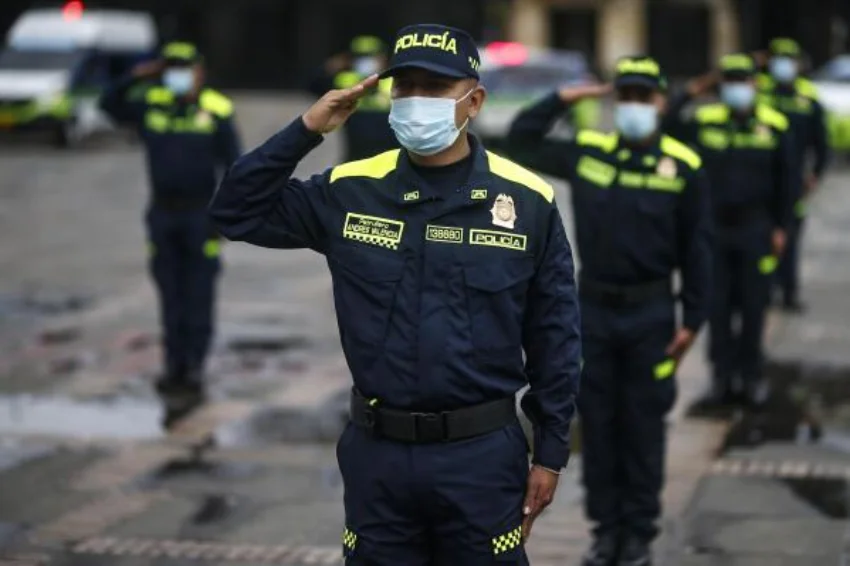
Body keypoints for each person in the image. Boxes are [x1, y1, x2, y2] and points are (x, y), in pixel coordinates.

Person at [210, 23, 581, 566]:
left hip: (480, 457)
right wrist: (307, 128)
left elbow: (556, 337)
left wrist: (549, 454)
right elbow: (234, 211)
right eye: (404, 87)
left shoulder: (526, 201)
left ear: (473, 101)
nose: (416, 101)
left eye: (434, 88)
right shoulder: (350, 190)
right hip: (378, 457)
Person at [505, 55, 712, 566]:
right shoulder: (590, 151)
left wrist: (693, 321)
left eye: (645, 97)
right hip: (592, 313)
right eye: (627, 96)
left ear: (661, 102)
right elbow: (520, 140)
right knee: (596, 425)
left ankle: (637, 534)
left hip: (652, 315)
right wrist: (566, 97)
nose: (635, 106)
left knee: (642, 426)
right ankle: (604, 533)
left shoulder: (684, 165)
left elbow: (699, 249)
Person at [100, 41, 242, 421]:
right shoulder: (152, 101)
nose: (178, 73)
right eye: (172, 66)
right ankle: (174, 366)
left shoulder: (217, 108)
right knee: (170, 294)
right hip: (162, 216)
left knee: (198, 294)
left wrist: (223, 218)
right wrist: (135, 75)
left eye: (186, 66)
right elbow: (107, 105)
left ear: (200, 70)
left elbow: (235, 167)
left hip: (201, 217)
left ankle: (194, 366)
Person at [663, 53, 794, 407]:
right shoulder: (706, 121)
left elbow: (788, 181)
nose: (737, 88)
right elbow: (667, 124)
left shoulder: (775, 125)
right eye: (730, 80)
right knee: (716, 309)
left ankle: (750, 377)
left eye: (743, 80)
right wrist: (693, 89)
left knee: (754, 307)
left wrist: (782, 227)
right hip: (714, 231)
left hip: (756, 229)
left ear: (755, 84)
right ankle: (721, 378)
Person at [756, 38, 830, 311]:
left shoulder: (808, 98)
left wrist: (816, 173)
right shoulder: (760, 91)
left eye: (789, 58)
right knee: (761, 238)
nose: (783, 65)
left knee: (789, 232)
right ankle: (763, 290)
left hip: (793, 179)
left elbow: (821, 143)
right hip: (761, 180)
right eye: (777, 58)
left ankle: (788, 291)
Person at [307, 35, 397, 161]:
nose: (365, 61)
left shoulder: (395, 80)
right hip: (354, 156)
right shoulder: (343, 80)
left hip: (390, 157)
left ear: (382, 57)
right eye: (361, 56)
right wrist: (331, 66)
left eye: (371, 56)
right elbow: (312, 85)